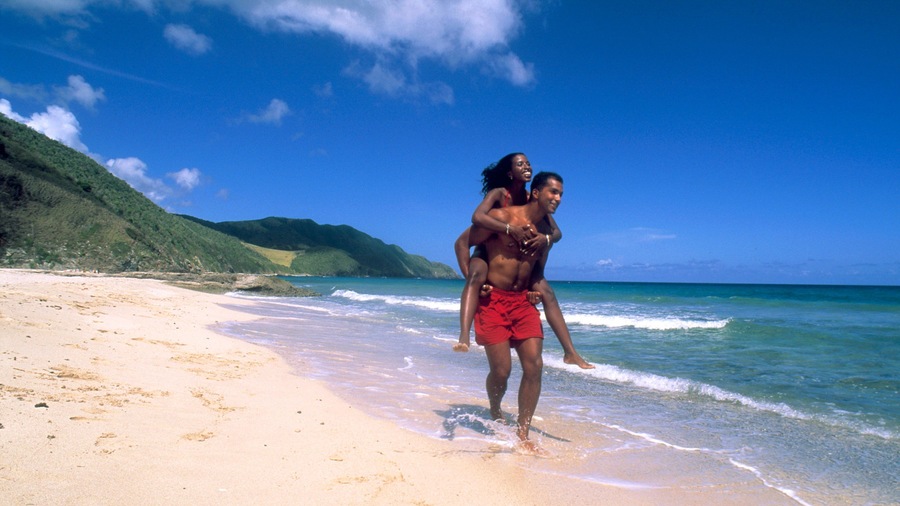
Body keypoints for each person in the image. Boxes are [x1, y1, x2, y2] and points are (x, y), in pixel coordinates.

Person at [453, 154, 592, 370]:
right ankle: (464, 335)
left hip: (517, 255)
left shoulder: (532, 200)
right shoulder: (499, 195)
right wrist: (510, 229)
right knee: (475, 277)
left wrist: (544, 241)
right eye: (520, 164)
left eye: (528, 163)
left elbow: (556, 233)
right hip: (487, 244)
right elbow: (477, 218)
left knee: (547, 292)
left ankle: (570, 353)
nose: (526, 166)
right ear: (510, 172)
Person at [465, 171, 566, 453]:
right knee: (501, 371)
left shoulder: (545, 234)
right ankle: (495, 408)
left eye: (561, 194)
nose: (558, 198)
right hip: (493, 301)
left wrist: (534, 287)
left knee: (534, 365)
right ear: (536, 193)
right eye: (553, 192)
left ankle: (523, 434)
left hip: (522, 302)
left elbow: (539, 268)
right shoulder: (502, 216)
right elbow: (464, 240)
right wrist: (472, 278)